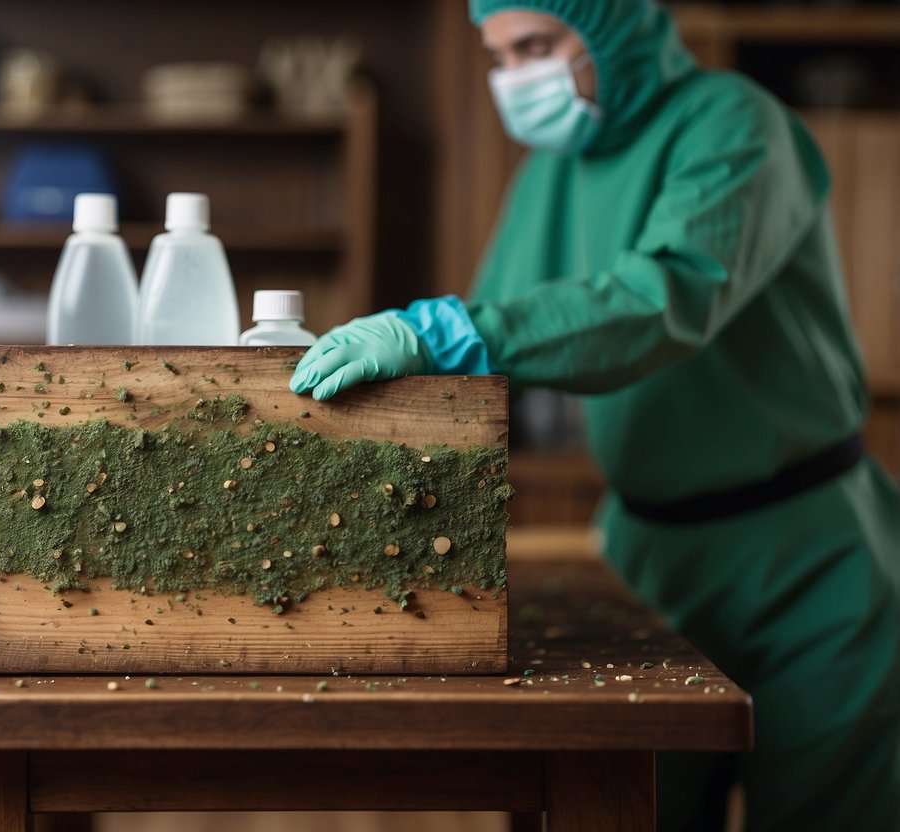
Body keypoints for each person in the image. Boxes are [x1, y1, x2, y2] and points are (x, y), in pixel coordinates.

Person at [289, 0, 900, 828]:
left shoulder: (734, 124)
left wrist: (448, 329)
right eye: (498, 56)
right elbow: (496, 348)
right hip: (650, 559)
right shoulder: (552, 168)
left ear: (614, 29)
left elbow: (665, 298)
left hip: (805, 560)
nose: (516, 79)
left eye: (536, 45)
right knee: (628, 808)